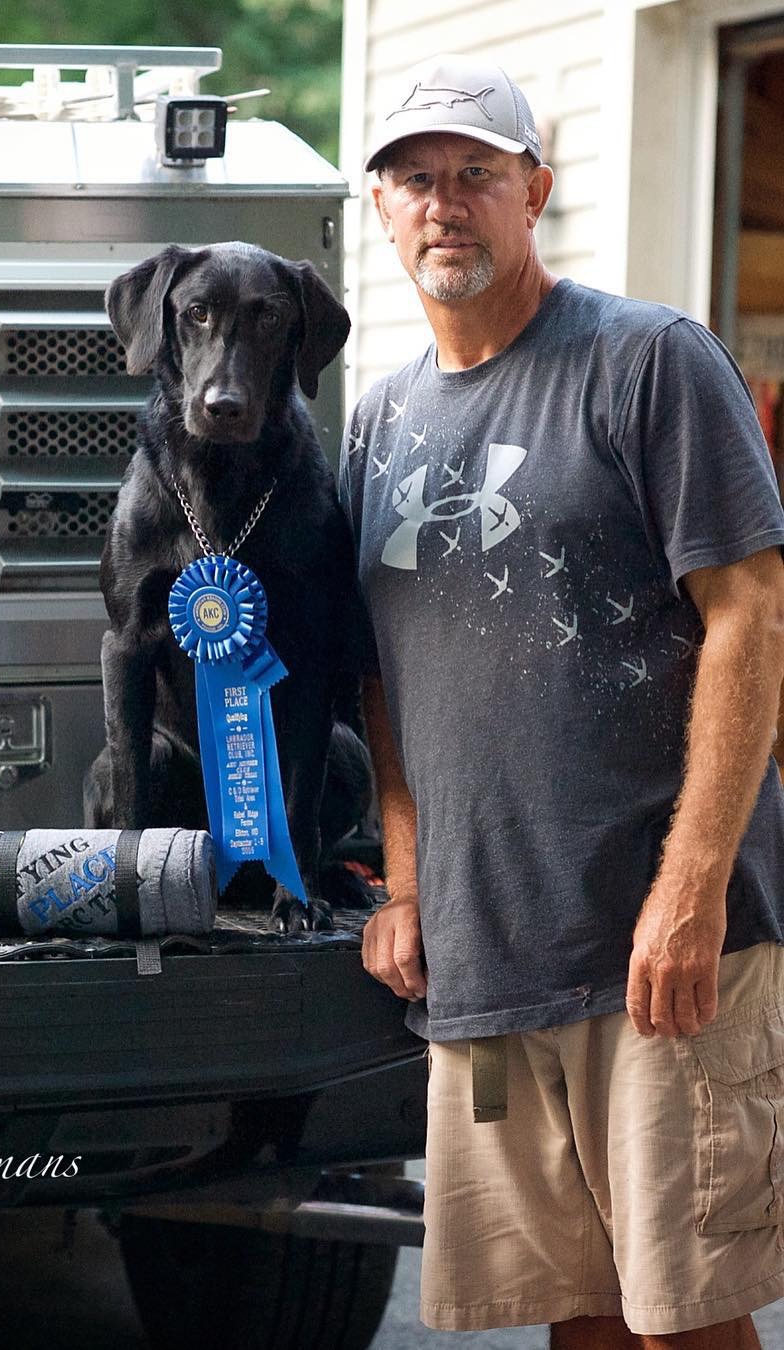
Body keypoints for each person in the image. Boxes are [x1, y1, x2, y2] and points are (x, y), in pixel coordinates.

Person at [340, 52, 784, 1350]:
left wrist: (692, 886)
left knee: (681, 1318)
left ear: (537, 189)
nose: (445, 203)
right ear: (381, 207)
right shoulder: (378, 423)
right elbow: (385, 673)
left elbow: (750, 613)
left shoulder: (648, 362)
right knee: (575, 1312)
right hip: (491, 950)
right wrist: (410, 881)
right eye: (416, 179)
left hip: (658, 941)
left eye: (476, 174)